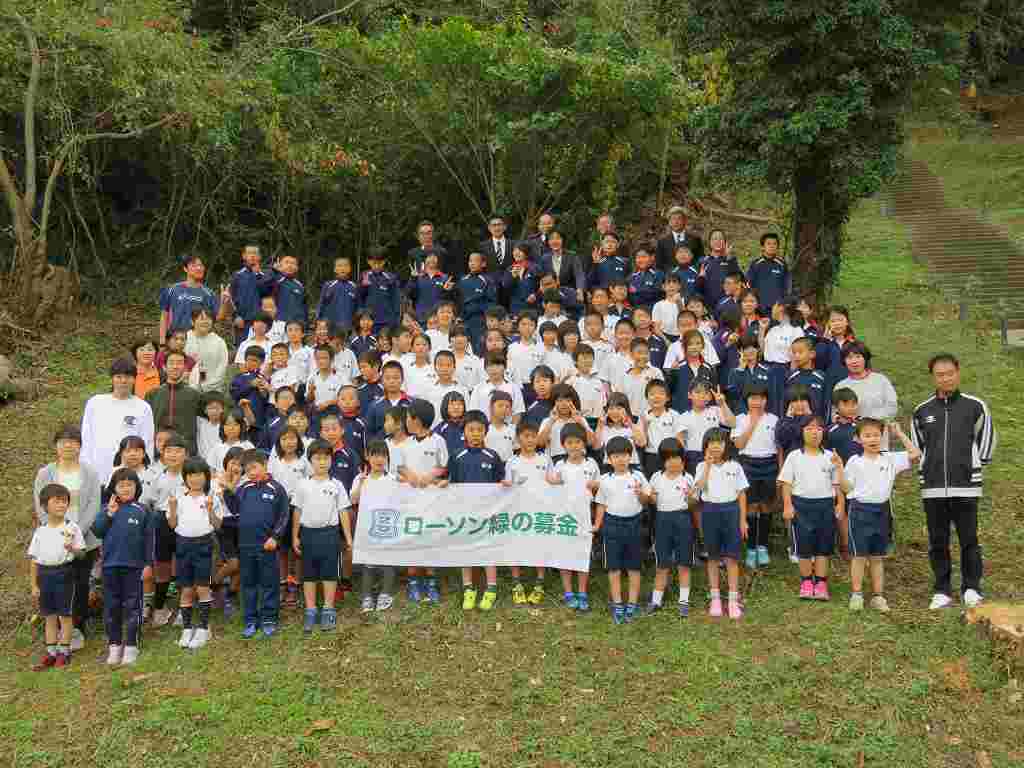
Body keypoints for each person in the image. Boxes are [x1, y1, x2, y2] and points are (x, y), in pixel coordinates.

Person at [911, 354, 995, 610]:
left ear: (958, 373)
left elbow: (986, 443)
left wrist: (972, 466)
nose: (945, 378)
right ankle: (942, 590)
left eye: (949, 373)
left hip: (966, 484)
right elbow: (918, 448)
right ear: (933, 377)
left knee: (969, 538)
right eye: (940, 374)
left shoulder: (975, 406)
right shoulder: (922, 411)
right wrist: (928, 469)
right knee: (938, 540)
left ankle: (971, 587)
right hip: (933, 487)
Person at [34, 424, 103, 651]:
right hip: (53, 540)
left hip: (83, 539)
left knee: (80, 585)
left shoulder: (90, 472)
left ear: (80, 446)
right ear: (56, 446)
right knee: (56, 585)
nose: (68, 445)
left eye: (73, 441)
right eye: (63, 441)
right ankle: (57, 632)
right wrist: (54, 531)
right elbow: (40, 505)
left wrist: (76, 531)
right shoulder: (46, 473)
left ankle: (77, 628)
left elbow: (94, 504)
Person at [842, 418, 922, 613]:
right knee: (859, 556)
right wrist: (838, 468)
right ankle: (857, 593)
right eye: (867, 435)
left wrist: (899, 433)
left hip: (882, 511)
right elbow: (846, 488)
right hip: (860, 511)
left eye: (876, 435)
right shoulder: (854, 461)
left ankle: (878, 596)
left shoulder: (890, 458)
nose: (872, 439)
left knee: (877, 557)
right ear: (858, 439)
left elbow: (915, 454)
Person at [221, 449, 291, 638]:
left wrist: (275, 537)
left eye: (254, 467)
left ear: (265, 464)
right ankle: (251, 619)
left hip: (267, 546)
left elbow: (284, 515)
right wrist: (228, 489)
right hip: (246, 546)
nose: (250, 472)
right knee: (249, 584)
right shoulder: (244, 488)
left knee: (269, 583)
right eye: (247, 469)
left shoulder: (276, 488)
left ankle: (269, 618)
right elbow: (235, 509)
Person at [93, 467, 153, 666]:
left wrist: (147, 564)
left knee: (133, 607)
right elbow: (97, 531)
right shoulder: (107, 509)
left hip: (134, 567)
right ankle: (114, 645)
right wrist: (109, 514)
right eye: (121, 485)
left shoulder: (142, 510)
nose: (126, 488)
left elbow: (149, 540)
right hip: (110, 567)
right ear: (114, 488)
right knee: (112, 607)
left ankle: (131, 645)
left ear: (137, 487)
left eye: (130, 484)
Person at [779, 416, 843, 601]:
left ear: (823, 432)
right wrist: (787, 505)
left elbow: (837, 484)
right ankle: (806, 582)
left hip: (825, 506)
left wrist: (840, 504)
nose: (814, 432)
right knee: (804, 547)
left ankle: (821, 583)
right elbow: (786, 483)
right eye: (809, 428)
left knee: (823, 547)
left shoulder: (831, 456)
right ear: (802, 432)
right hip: (801, 506)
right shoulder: (794, 456)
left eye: (818, 429)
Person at [448, 409, 505, 611]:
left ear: (485, 432)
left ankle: (491, 589)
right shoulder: (457, 456)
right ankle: (468, 588)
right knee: (467, 550)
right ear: (464, 432)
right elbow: (452, 485)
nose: (475, 434)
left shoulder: (493, 456)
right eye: (471, 430)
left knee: (489, 549)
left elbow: (501, 484)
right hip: (466, 515)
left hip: (488, 513)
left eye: (479, 430)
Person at [292, 439, 351, 630]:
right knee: (308, 574)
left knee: (329, 572)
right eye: (318, 458)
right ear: (310, 460)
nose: (322, 462)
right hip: (308, 534)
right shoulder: (302, 485)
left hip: (330, 533)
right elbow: (297, 511)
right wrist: (295, 535)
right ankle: (310, 609)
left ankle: (328, 608)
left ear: (331, 460)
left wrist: (348, 537)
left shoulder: (337, 485)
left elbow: (343, 511)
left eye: (326, 458)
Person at [28, 483, 87, 670]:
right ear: (45, 505)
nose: (62, 505)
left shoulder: (72, 527)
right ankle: (51, 652)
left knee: (65, 615)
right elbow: (34, 560)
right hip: (45, 575)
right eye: (57, 501)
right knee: (49, 616)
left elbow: (82, 554)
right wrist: (34, 584)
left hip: (64, 573)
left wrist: (72, 548)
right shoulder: (41, 530)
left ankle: (64, 651)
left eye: (65, 502)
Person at [691, 428, 748, 620]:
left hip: (731, 511)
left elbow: (741, 494)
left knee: (732, 558)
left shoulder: (735, 466)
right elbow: (700, 489)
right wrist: (707, 466)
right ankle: (715, 597)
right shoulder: (701, 466)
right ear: (706, 446)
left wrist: (742, 520)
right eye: (711, 442)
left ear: (726, 445)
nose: (716, 446)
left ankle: (732, 599)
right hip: (710, 511)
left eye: (720, 442)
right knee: (713, 557)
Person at [595, 436, 652, 624]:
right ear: (609, 459)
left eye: (624, 455)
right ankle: (618, 603)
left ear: (631, 456)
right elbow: (601, 504)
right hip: (612, 525)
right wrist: (597, 525)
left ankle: (632, 605)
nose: (620, 459)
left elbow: (648, 501)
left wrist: (641, 494)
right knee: (614, 567)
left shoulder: (638, 476)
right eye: (616, 456)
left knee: (634, 567)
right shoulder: (604, 479)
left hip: (634, 524)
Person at [166, 458, 221, 650]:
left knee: (202, 587)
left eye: (199, 475)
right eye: (191, 475)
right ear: (185, 478)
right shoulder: (179, 498)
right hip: (183, 545)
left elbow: (218, 524)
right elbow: (172, 525)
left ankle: (205, 627)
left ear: (206, 477)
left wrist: (210, 509)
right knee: (186, 589)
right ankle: (187, 628)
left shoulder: (211, 497)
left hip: (203, 545)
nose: (195, 479)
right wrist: (172, 509)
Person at [548, 423, 600, 611]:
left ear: (583, 443)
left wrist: (595, 485)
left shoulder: (591, 464)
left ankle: (582, 592)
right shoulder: (560, 465)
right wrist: (552, 481)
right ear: (563, 445)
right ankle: (568, 592)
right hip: (564, 517)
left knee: (582, 554)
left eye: (577, 442)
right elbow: (550, 484)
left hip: (584, 516)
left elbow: (600, 488)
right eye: (569, 442)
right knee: (565, 555)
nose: (574, 446)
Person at [81, 357, 155, 482]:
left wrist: (144, 474)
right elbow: (86, 439)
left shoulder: (143, 407)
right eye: (119, 377)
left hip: (128, 479)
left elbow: (147, 443)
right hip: (96, 474)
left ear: (134, 379)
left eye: (128, 377)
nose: (123, 381)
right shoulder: (95, 403)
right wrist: (85, 468)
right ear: (112, 379)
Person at [503, 420, 552, 605]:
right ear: (518, 439)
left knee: (540, 547)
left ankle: (539, 583)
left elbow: (552, 482)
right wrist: (506, 486)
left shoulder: (545, 459)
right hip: (518, 512)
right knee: (516, 547)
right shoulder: (512, 461)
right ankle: (517, 584)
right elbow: (507, 486)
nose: (530, 440)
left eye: (533, 436)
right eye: (526, 436)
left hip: (540, 510)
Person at [645, 438, 696, 616]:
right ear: (663, 461)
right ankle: (656, 600)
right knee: (662, 564)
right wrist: (647, 496)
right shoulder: (656, 477)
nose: (673, 462)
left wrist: (691, 496)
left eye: (677, 458)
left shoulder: (688, 478)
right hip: (662, 521)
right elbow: (652, 500)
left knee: (684, 564)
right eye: (668, 458)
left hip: (683, 520)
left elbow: (692, 504)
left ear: (683, 460)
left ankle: (684, 601)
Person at [730, 383, 777, 568]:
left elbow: (778, 446)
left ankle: (762, 546)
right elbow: (739, 445)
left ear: (766, 400)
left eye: (761, 398)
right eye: (753, 398)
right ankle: (750, 548)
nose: (757, 402)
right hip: (748, 464)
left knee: (766, 506)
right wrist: (753, 423)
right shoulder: (740, 419)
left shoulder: (774, 419)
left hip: (769, 464)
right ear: (747, 400)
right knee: (750, 506)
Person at [834, 342, 898, 444]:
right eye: (849, 358)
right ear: (844, 361)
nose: (854, 361)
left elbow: (892, 407)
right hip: (852, 439)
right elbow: (836, 413)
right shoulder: (841, 386)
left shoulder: (880, 380)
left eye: (858, 357)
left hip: (878, 437)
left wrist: (869, 420)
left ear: (865, 359)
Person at [146, 350, 202, 456]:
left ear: (185, 368)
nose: (175, 366)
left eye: (179, 363)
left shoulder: (194, 395)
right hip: (159, 451)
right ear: (164, 367)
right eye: (171, 363)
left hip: (186, 450)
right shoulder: (153, 394)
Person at [159, 253, 219, 347]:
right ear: (185, 269)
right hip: (175, 339)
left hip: (198, 340)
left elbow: (218, 317)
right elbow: (164, 316)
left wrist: (226, 303)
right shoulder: (172, 289)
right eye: (194, 265)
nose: (199, 268)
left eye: (201, 265)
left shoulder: (209, 294)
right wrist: (162, 342)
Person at [225, 244, 273, 343]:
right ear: (244, 256)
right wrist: (235, 316)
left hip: (263, 323)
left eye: (255, 253)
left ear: (259, 257)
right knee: (243, 352)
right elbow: (230, 299)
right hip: (243, 322)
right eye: (249, 253)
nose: (252, 256)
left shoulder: (267, 276)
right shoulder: (237, 276)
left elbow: (269, 297)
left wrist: (257, 275)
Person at [184, 308, 229, 393]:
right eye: (201, 319)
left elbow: (222, 368)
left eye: (208, 319)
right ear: (192, 321)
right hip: (187, 389)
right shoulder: (184, 339)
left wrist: (205, 387)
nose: (205, 322)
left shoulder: (219, 342)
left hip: (212, 391)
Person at [359, 248, 403, 333]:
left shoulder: (390, 277)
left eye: (379, 263)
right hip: (369, 322)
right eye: (374, 262)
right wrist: (363, 286)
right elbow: (359, 298)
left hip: (387, 321)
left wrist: (396, 320)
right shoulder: (364, 276)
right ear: (368, 261)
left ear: (384, 261)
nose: (377, 265)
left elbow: (396, 300)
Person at [746, 233, 790, 313]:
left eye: (774, 244)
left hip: (777, 309)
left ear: (777, 247)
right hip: (759, 309)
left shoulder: (782, 265)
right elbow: (749, 285)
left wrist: (783, 303)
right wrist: (754, 303)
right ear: (763, 247)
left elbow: (787, 286)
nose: (772, 246)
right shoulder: (755, 264)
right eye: (768, 243)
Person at [656, 205, 704, 272]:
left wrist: (694, 271)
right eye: (673, 219)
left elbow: (700, 259)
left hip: (691, 276)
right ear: (669, 222)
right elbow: (659, 264)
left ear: (685, 220)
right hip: (670, 278)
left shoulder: (695, 239)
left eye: (679, 219)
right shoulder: (662, 242)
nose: (676, 222)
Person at [317, 256, 359, 333]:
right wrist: (319, 322)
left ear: (350, 269)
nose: (343, 268)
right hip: (331, 328)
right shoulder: (328, 285)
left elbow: (358, 308)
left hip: (348, 328)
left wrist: (355, 325)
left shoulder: (354, 287)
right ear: (335, 269)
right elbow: (321, 305)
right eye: (339, 266)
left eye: (345, 265)